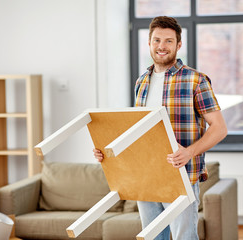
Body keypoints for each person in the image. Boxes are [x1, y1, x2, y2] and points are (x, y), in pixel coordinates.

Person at [93, 16, 227, 240]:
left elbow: (219, 128)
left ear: (178, 45)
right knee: (154, 237)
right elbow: (138, 131)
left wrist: (188, 152)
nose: (161, 46)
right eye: (156, 40)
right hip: (146, 174)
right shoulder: (142, 82)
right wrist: (107, 152)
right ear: (149, 42)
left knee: (184, 236)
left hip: (181, 175)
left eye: (168, 41)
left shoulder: (196, 80)